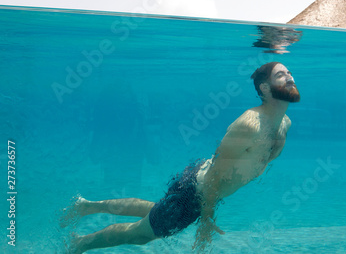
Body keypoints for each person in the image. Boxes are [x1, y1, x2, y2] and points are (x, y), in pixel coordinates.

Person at [63, 62, 300, 253]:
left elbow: (258, 163)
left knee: (154, 211)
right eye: (281, 74)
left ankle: (86, 206)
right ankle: (80, 243)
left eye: (289, 72)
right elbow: (217, 172)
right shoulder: (249, 124)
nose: (290, 76)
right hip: (195, 194)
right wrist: (207, 220)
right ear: (265, 89)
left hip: (200, 184)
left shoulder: (283, 124)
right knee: (141, 234)